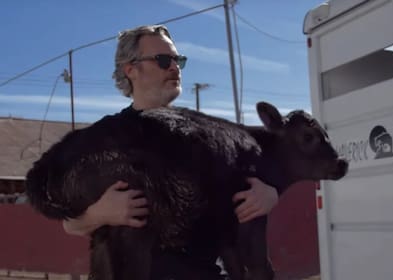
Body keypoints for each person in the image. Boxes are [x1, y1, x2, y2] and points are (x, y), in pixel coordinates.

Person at [62, 24, 279, 278]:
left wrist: (270, 193)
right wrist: (101, 213)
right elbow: (71, 223)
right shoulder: (103, 140)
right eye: (163, 60)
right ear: (130, 69)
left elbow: (261, 176)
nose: (174, 67)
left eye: (178, 60)